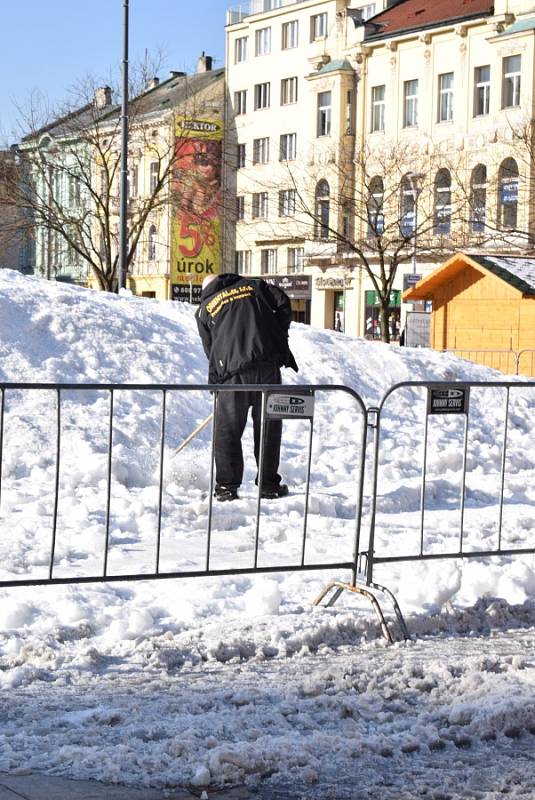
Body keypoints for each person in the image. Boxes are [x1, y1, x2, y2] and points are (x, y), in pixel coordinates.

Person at [195, 273, 298, 502]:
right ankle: (268, 485)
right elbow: (283, 302)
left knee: (228, 431)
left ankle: (226, 488)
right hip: (267, 367)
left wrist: (217, 382)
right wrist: (277, 335)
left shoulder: (204, 310)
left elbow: (210, 349)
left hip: (233, 376)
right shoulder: (253, 286)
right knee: (268, 426)